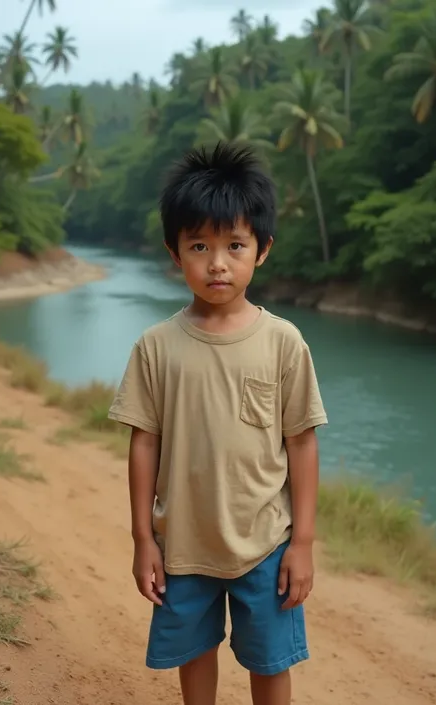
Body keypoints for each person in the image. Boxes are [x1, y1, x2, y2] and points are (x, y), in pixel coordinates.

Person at [107, 141, 328, 705]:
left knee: (269, 661)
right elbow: (143, 444)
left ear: (263, 250)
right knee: (193, 655)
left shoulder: (283, 343)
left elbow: (301, 444)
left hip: (265, 543)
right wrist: (142, 539)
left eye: (235, 245)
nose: (218, 263)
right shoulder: (156, 347)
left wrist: (301, 542)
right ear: (175, 254)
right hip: (182, 545)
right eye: (199, 246)